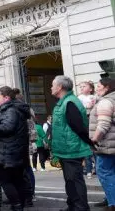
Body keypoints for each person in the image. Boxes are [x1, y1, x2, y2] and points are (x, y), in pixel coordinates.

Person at [0, 86, 31, 211]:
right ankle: (18, 205)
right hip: (13, 151)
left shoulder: (10, 110)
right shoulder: (13, 109)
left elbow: (7, 128)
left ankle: (16, 205)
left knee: (7, 181)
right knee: (17, 180)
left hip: (7, 152)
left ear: (6, 98)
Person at [51, 75, 93, 211]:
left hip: (72, 149)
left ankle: (80, 207)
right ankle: (73, 205)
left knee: (74, 181)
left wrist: (89, 142)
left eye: (52, 85)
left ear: (60, 87)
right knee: (70, 181)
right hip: (66, 149)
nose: (51, 88)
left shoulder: (69, 102)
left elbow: (78, 126)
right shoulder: (64, 102)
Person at [89, 77, 115, 210]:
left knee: (104, 172)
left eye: (99, 86)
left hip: (106, 146)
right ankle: (109, 198)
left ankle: (112, 203)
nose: (96, 88)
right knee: (112, 172)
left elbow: (103, 125)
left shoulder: (106, 102)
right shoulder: (111, 100)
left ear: (107, 87)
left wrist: (93, 140)